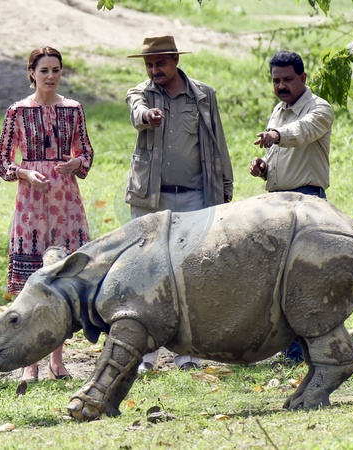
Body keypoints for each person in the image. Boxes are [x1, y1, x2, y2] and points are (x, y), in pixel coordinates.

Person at [125, 34, 234, 373]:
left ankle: (188, 353)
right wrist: (147, 116)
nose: (154, 70)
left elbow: (217, 142)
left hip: (194, 195)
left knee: (191, 274)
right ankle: (147, 355)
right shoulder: (141, 93)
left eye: (160, 63)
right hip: (152, 198)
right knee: (149, 274)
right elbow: (136, 111)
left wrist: (225, 186)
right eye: (149, 65)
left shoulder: (203, 95)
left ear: (175, 60)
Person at [0, 46, 94, 382]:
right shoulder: (17, 112)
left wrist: (75, 162)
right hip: (31, 203)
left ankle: (57, 360)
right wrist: (24, 173)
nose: (51, 76)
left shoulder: (73, 109)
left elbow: (87, 152)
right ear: (32, 73)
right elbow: (3, 160)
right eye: (44, 71)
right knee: (30, 283)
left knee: (62, 279)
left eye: (56, 70)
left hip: (65, 200)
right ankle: (30, 362)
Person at [250, 50, 334, 363]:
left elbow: (302, 132)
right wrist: (263, 167)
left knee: (305, 279)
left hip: (307, 202)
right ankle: (290, 349)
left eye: (287, 79)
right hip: (278, 203)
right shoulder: (278, 110)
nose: (281, 86)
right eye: (276, 80)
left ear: (303, 78)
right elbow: (280, 152)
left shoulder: (320, 108)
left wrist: (276, 134)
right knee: (279, 279)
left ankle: (310, 349)